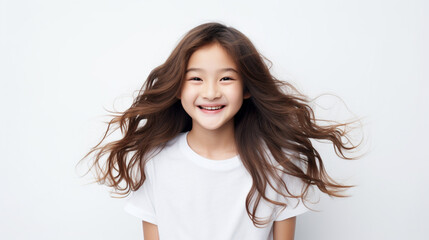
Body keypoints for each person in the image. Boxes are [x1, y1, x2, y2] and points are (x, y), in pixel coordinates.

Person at [79, 22, 362, 240]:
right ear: (178, 87)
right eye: (196, 78)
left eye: (226, 78)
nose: (211, 92)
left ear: (247, 88)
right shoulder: (154, 161)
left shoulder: (281, 162)